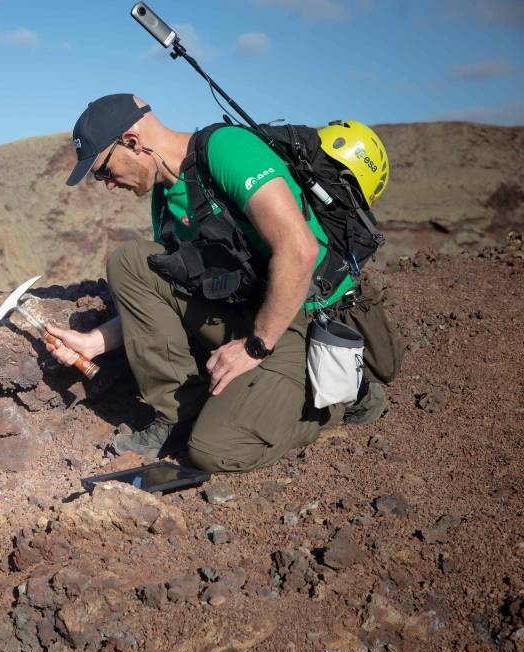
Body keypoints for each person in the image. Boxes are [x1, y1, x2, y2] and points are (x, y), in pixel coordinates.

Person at [48, 93, 390, 473]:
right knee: (131, 262)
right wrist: (94, 343)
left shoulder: (227, 149)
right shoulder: (165, 198)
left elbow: (300, 249)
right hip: (242, 309)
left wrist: (256, 346)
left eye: (104, 170)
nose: (108, 184)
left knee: (214, 450)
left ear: (132, 140)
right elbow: (165, 291)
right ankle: (177, 413)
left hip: (296, 317)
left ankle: (336, 401)